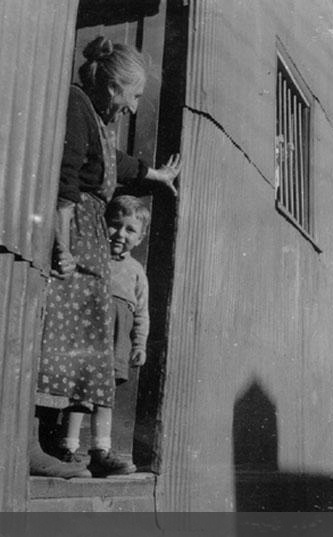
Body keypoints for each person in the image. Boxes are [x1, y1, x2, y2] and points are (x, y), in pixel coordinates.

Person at [31, 36, 183, 478]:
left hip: (87, 239)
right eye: (134, 96)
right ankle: (39, 445)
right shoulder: (77, 105)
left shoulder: (95, 117)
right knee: (61, 340)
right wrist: (61, 248)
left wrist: (154, 173)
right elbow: (67, 183)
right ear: (115, 88)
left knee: (79, 344)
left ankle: (63, 447)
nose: (134, 107)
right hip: (75, 235)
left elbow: (111, 164)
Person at [53, 196, 151, 476]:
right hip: (87, 336)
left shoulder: (136, 271)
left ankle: (100, 451)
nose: (121, 234)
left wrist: (140, 343)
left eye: (130, 229)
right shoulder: (92, 259)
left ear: (140, 237)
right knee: (78, 395)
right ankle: (67, 449)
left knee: (104, 396)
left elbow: (142, 312)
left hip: (115, 340)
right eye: (115, 225)